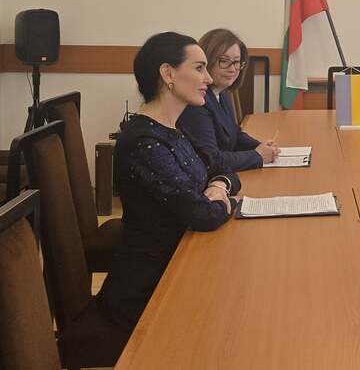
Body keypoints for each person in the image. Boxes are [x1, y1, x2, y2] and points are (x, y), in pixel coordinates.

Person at [98, 32, 240, 331]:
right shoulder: (144, 142)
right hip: (150, 287)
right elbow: (202, 215)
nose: (208, 79)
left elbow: (223, 171)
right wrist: (221, 198)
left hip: (182, 260)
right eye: (199, 68)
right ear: (168, 74)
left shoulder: (172, 129)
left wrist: (218, 187)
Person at [178, 28, 279, 172]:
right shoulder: (196, 102)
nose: (232, 69)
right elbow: (212, 161)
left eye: (237, 62)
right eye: (224, 61)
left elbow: (234, 134)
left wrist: (259, 146)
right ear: (206, 61)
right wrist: (258, 156)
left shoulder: (222, 93)